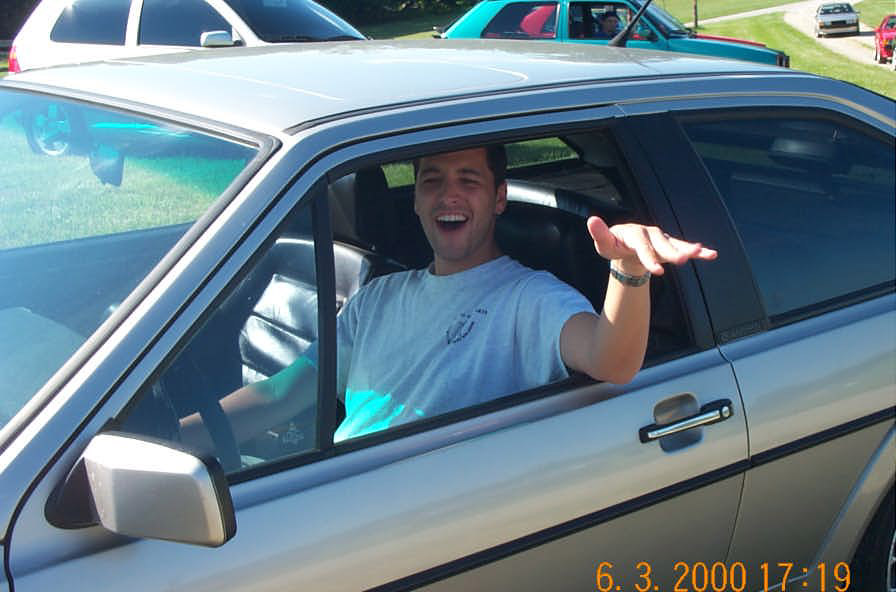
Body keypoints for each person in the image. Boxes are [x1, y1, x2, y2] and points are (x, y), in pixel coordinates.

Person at [182, 145, 716, 448]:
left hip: (428, 508)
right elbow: (279, 396)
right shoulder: (375, 299)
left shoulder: (529, 298)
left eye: (469, 180)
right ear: (415, 200)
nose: (449, 195)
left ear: (499, 198)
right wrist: (175, 439)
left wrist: (627, 270)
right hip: (339, 488)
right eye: (432, 181)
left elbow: (612, 360)